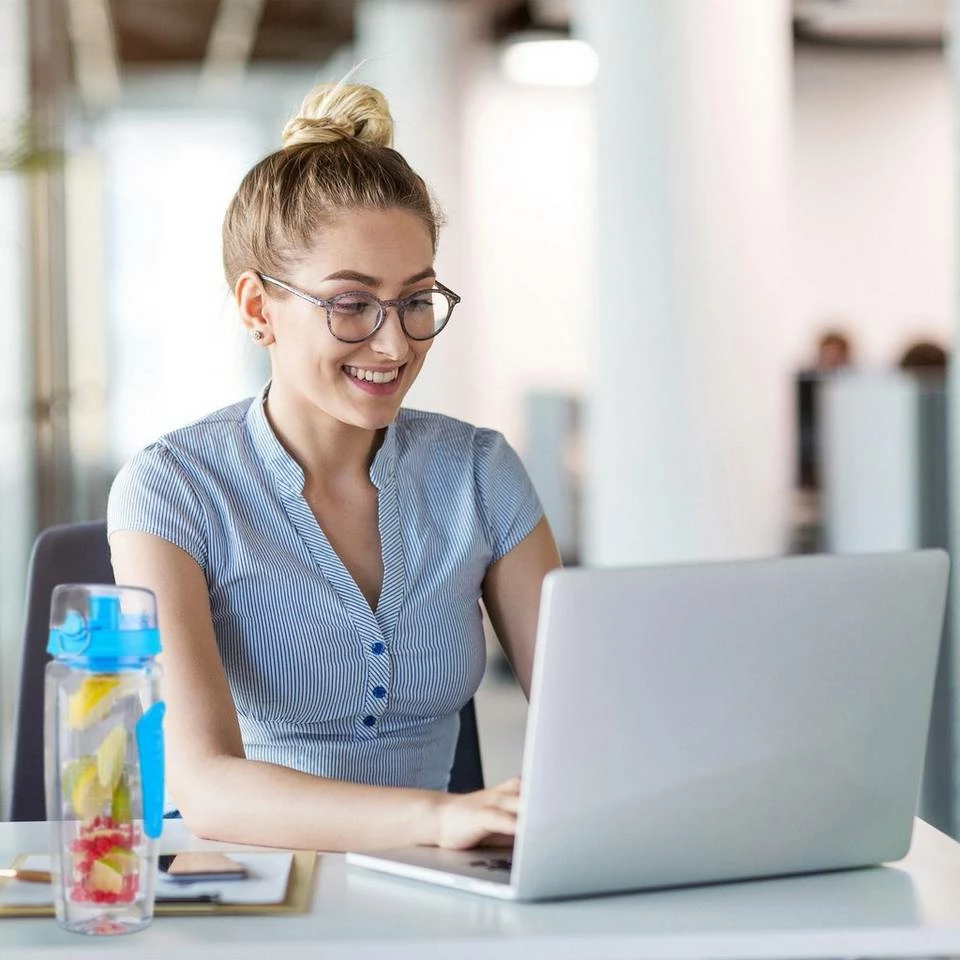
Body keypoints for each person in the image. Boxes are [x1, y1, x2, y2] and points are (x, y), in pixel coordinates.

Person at [107, 80, 562, 853]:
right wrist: (439, 816)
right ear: (258, 308)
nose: (394, 345)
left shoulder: (480, 472)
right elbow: (205, 784)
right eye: (351, 304)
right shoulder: (173, 488)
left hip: (440, 895)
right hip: (247, 890)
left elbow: (590, 722)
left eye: (418, 300)